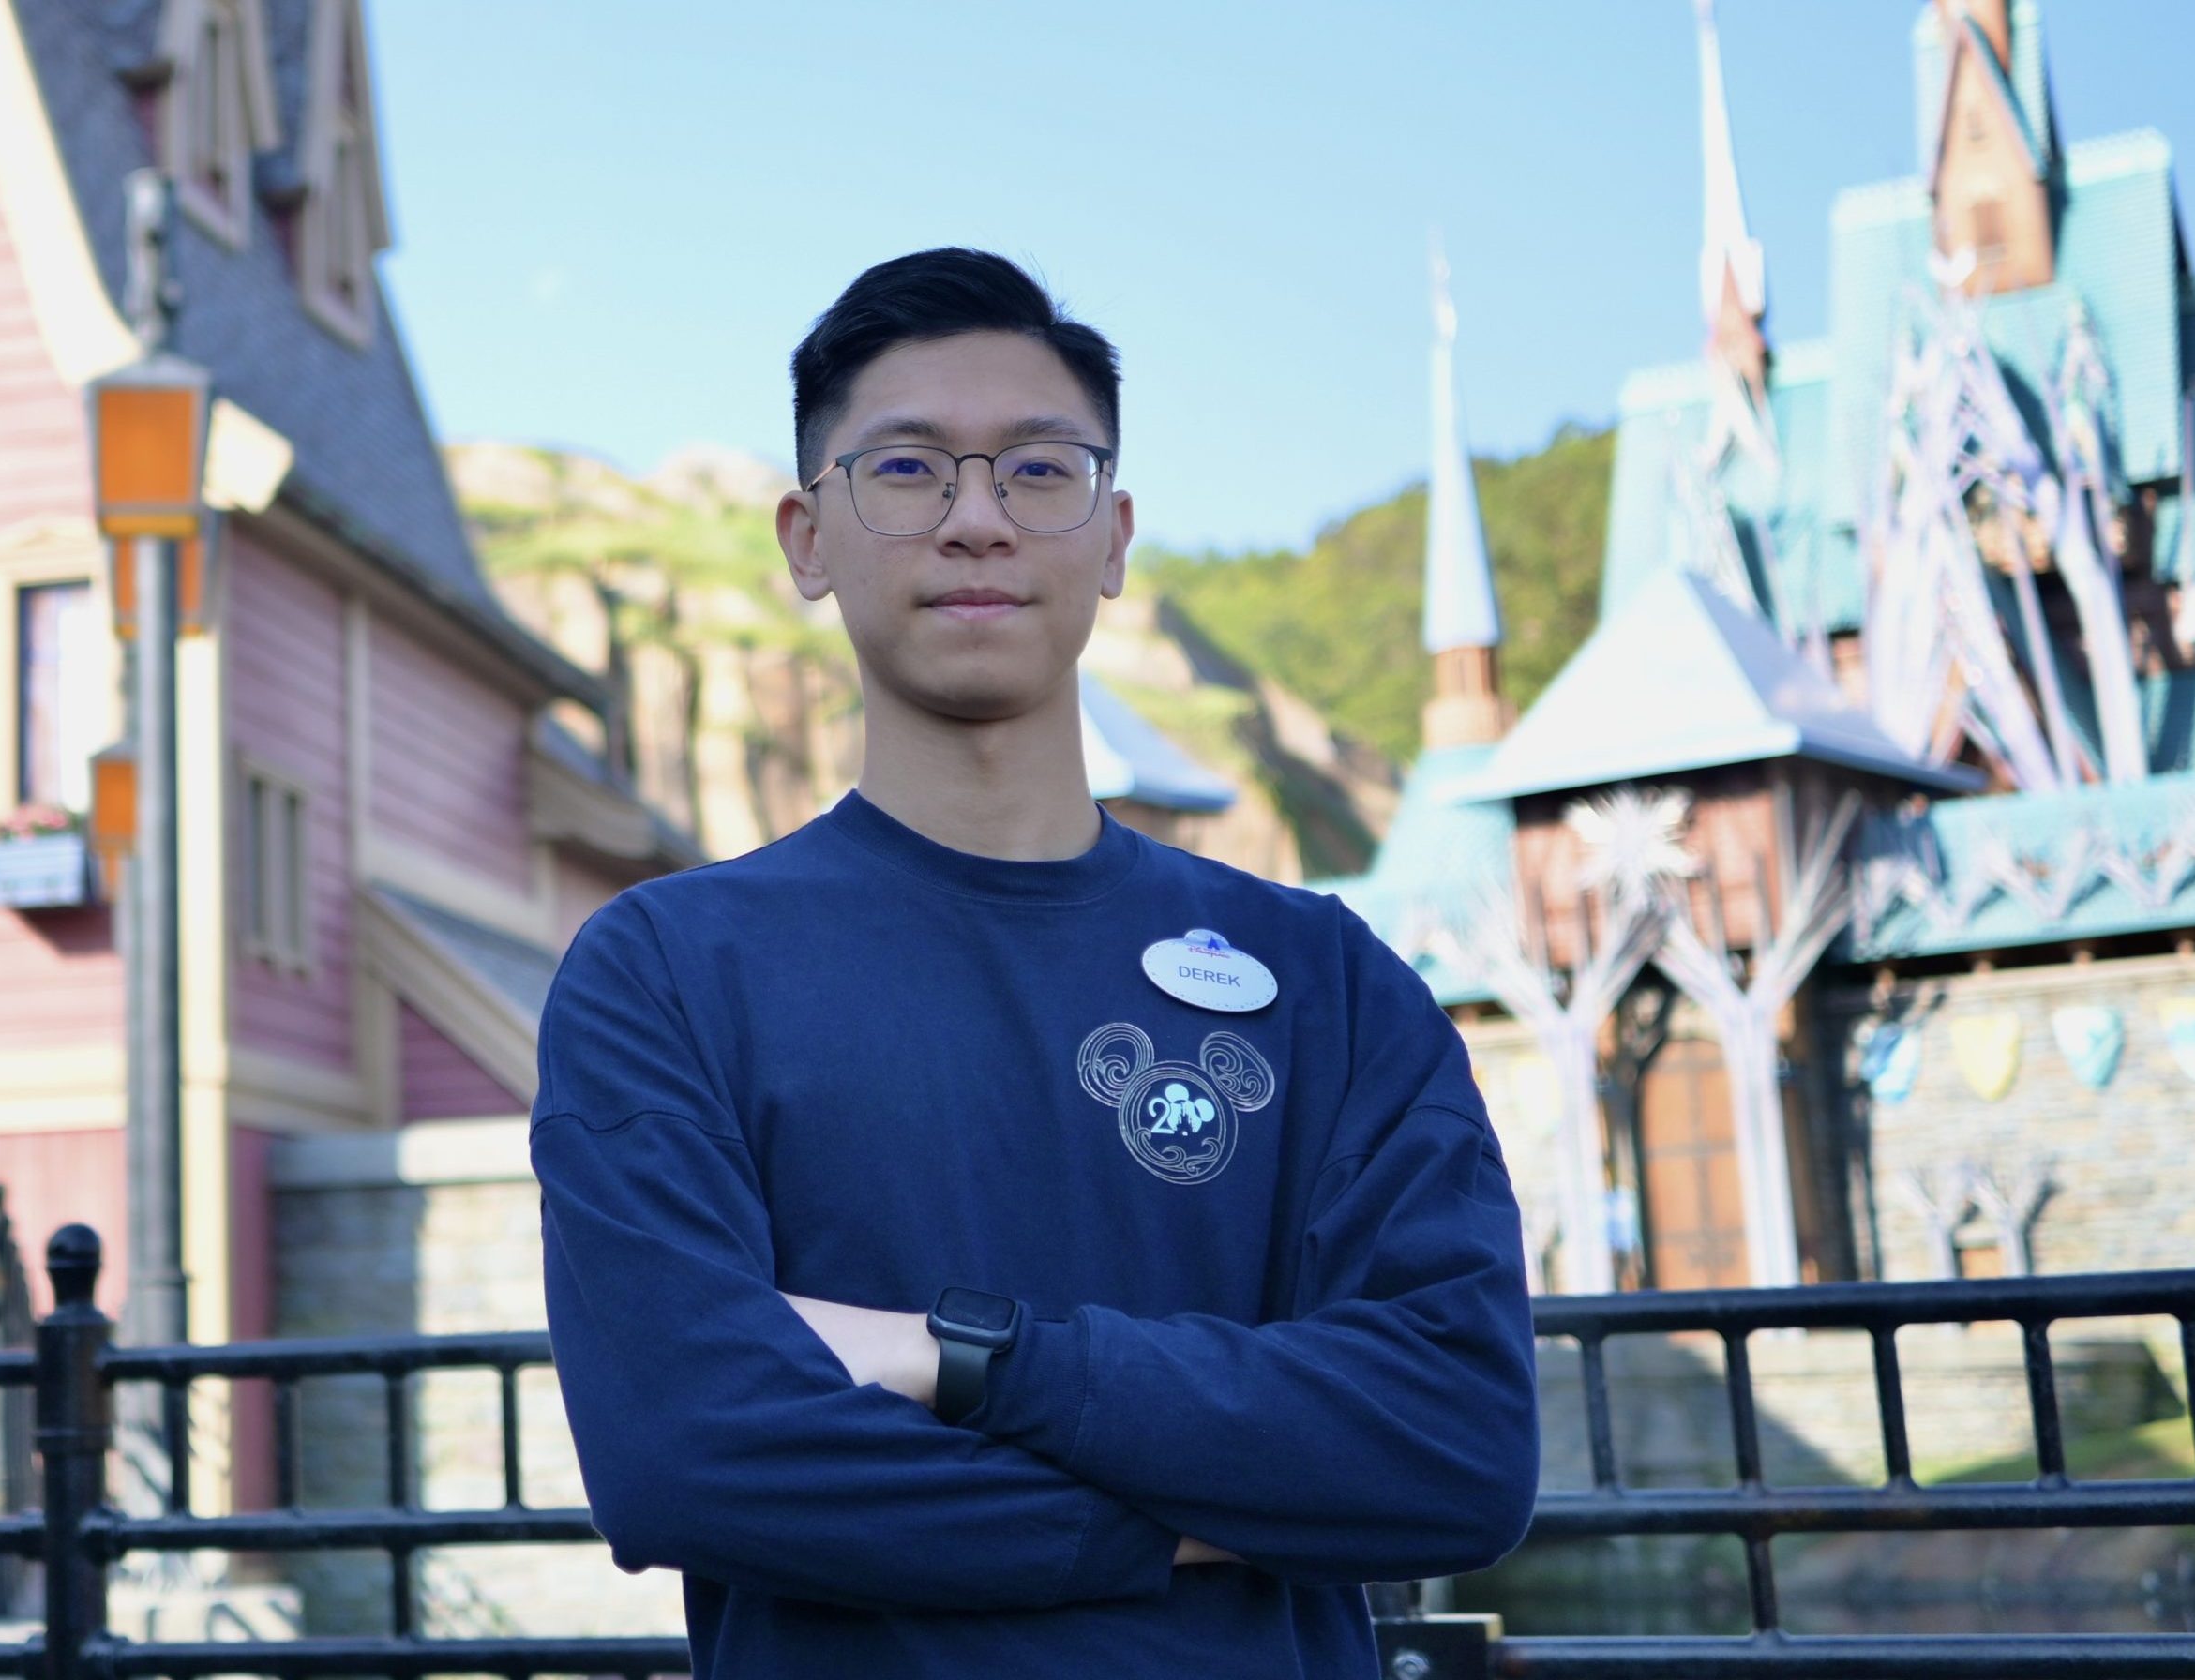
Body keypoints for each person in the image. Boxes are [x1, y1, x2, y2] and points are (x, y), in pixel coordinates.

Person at [533, 248, 1540, 1678]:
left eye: (1038, 471)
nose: (978, 521)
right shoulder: (669, 974)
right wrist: (1193, 1517)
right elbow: (686, 1456)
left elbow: (1455, 1447)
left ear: (1114, 535)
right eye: (906, 471)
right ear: (807, 539)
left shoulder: (1323, 978)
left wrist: (964, 1357)